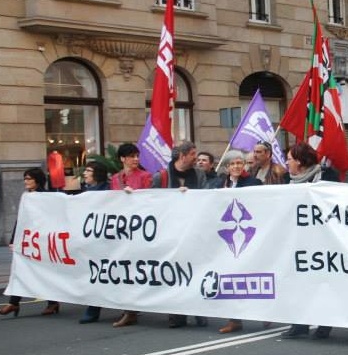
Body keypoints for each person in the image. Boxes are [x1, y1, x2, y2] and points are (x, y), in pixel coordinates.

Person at [280, 142, 340, 339]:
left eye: (289, 159)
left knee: (323, 281)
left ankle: (326, 322)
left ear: (300, 161)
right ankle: (300, 322)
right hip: (298, 239)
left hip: (324, 239)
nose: (287, 163)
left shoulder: (326, 176)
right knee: (298, 280)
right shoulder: (288, 180)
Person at [153, 141, 210, 328]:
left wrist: (191, 196)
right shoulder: (161, 177)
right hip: (171, 232)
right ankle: (177, 314)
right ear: (182, 156)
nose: (196, 158)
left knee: (196, 271)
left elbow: (206, 197)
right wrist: (174, 196)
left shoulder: (199, 175)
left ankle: (199, 311)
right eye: (193, 154)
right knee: (175, 273)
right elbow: (152, 201)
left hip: (193, 230)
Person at [211, 149, 263, 333]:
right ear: (226, 167)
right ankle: (234, 319)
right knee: (231, 277)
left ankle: (265, 312)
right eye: (232, 164)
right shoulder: (218, 184)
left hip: (248, 235)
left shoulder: (254, 183)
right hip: (228, 238)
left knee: (254, 274)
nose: (236, 166)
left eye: (239, 163)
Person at [0, 168, 59, 317]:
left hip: (42, 239)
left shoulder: (46, 196)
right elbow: (20, 220)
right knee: (21, 269)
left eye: (29, 178)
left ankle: (52, 302)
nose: (26, 181)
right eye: (25, 178)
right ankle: (13, 303)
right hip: (28, 240)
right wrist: (14, 239)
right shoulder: (26, 197)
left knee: (44, 272)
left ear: (38, 180)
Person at [111, 143, 155, 328]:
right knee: (123, 269)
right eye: (132, 156)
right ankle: (129, 309)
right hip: (122, 229)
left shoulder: (145, 176)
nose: (136, 159)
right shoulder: (115, 179)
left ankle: (132, 309)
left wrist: (134, 196)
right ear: (122, 159)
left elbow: (150, 200)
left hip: (139, 228)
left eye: (137, 156)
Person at [77, 161, 111, 324]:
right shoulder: (87, 192)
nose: (85, 173)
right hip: (90, 239)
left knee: (98, 274)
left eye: (88, 170)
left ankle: (93, 309)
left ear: (97, 173)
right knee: (94, 274)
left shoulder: (108, 191)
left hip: (105, 240)